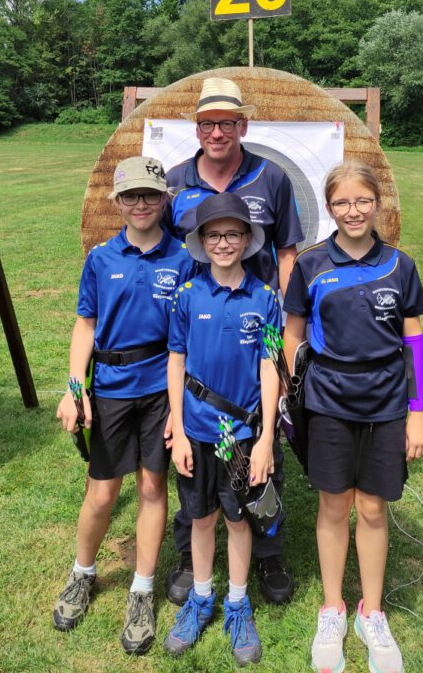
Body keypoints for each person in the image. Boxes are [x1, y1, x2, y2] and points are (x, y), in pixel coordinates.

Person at [283, 160, 423, 673]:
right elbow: (293, 334)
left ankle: (372, 613)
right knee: (333, 506)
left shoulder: (399, 264)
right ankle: (332, 610)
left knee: (371, 508)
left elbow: (413, 340)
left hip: (388, 403)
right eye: (342, 203)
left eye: (363, 201)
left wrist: (420, 412)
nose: (353, 211)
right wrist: (291, 393)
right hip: (328, 402)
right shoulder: (310, 264)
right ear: (329, 208)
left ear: (377, 204)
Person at [165, 76, 303, 605]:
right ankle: (188, 553)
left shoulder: (273, 178)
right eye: (207, 123)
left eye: (227, 122)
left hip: (256, 329)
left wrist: (288, 335)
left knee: (259, 453)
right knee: (193, 456)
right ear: (196, 128)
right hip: (190, 329)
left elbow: (287, 254)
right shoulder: (176, 181)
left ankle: (268, 557)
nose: (217, 132)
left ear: (243, 125)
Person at [53, 156, 195, 655]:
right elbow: (85, 326)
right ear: (117, 202)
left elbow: (189, 336)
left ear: (165, 200)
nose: (140, 204)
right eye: (130, 196)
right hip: (111, 388)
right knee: (102, 493)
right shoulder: (101, 258)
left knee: (154, 487)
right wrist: (76, 388)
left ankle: (141, 590)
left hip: (160, 388)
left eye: (150, 195)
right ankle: (82, 573)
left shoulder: (184, 260)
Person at [164, 193, 280, 665]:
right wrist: (177, 423)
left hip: (243, 438)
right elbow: (176, 360)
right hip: (195, 429)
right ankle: (201, 598)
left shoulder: (266, 299)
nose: (224, 243)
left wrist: (267, 437)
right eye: (214, 235)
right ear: (201, 241)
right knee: (201, 517)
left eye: (233, 234)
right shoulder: (187, 296)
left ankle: (237, 603)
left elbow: (271, 366)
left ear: (248, 240)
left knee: (237, 518)